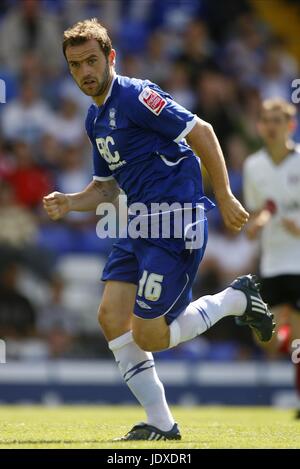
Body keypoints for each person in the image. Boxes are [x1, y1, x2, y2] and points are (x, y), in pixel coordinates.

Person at [43, 18, 274, 440]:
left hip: (175, 224)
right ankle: (162, 424)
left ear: (111, 57)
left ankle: (234, 299)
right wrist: (70, 202)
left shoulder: (135, 96)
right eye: (75, 66)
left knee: (148, 333)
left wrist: (223, 194)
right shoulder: (95, 121)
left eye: (91, 61)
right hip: (135, 223)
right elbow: (106, 188)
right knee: (111, 317)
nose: (84, 72)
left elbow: (200, 130)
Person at [244, 98, 300, 418]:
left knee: (298, 343)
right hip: (272, 264)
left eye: (277, 120)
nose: (271, 125)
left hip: (299, 263)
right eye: (266, 120)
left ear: (289, 126)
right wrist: (255, 225)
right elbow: (257, 211)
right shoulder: (254, 165)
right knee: (268, 338)